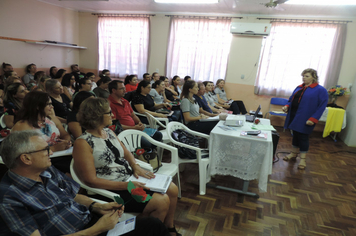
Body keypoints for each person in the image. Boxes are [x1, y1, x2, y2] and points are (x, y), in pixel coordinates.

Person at [0, 130, 171, 236]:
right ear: (26, 158)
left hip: (92, 221)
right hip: (87, 232)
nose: (50, 152)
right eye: (45, 149)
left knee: (152, 226)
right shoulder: (9, 198)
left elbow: (74, 196)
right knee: (153, 227)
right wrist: (95, 230)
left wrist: (97, 206)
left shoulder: (47, 171)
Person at [73, 97, 181, 236]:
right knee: (161, 201)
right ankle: (149, 231)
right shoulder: (83, 143)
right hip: (111, 188)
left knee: (172, 188)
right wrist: (127, 185)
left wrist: (135, 166)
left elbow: (126, 152)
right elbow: (90, 181)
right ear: (96, 117)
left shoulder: (109, 132)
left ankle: (169, 227)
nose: (113, 115)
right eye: (109, 112)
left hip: (128, 178)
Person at [12, 91, 72, 173]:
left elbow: (65, 134)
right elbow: (20, 151)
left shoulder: (52, 119)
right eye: (48, 104)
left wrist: (66, 141)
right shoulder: (22, 125)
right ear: (37, 106)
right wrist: (53, 149)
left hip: (62, 154)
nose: (52, 107)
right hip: (42, 160)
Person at [282, 68, 328, 170]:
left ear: (314, 77)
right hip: (294, 115)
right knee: (295, 135)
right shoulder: (298, 88)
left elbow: (322, 106)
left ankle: (302, 159)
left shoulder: (320, 90)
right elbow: (291, 100)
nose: (304, 78)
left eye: (307, 76)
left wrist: (314, 118)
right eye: (303, 76)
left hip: (307, 118)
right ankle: (293, 154)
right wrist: (287, 106)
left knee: (303, 137)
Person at [108, 80, 163, 147]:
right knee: (147, 143)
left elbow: (133, 115)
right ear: (113, 90)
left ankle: (147, 152)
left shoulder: (125, 101)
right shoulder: (109, 104)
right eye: (121, 89)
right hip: (126, 132)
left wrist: (139, 123)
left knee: (158, 134)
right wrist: (134, 127)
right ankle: (146, 152)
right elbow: (115, 125)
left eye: (124, 88)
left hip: (135, 128)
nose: (125, 90)